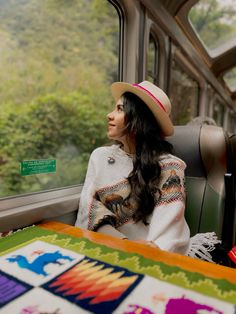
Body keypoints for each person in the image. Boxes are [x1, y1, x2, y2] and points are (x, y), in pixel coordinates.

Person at [75, 81, 225, 263]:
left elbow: (167, 232)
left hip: (153, 253)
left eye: (120, 109)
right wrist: (123, 242)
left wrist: (143, 253)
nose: (109, 115)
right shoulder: (100, 156)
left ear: (139, 119)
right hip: (112, 245)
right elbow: (90, 207)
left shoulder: (170, 167)